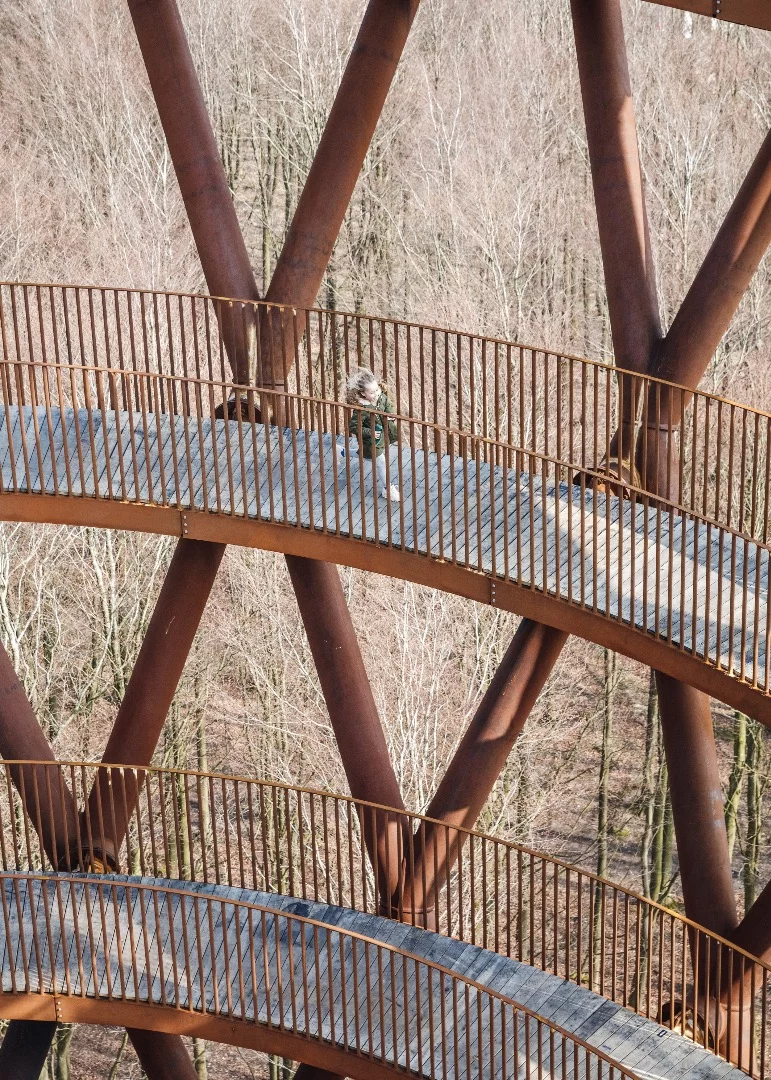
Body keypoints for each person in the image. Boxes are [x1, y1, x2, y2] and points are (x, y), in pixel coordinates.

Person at [343, 367, 401, 501]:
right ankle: (388, 489)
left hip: (383, 436)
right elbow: (353, 427)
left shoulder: (380, 397)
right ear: (363, 394)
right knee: (380, 461)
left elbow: (387, 404)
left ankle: (342, 452)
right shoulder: (361, 409)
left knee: (367, 456)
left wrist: (390, 414)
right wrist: (370, 432)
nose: (376, 394)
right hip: (370, 440)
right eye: (372, 392)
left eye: (376, 390)